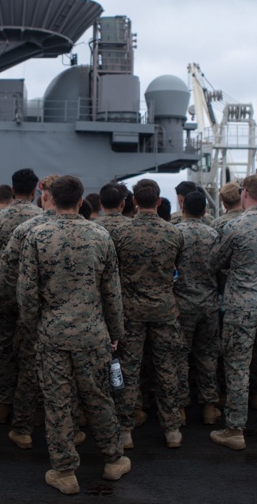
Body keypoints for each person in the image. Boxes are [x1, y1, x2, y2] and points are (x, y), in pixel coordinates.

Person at [17, 175, 131, 494]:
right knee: (98, 398)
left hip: (52, 335)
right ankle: (112, 459)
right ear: (81, 201)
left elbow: (26, 293)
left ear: (51, 198)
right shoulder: (100, 235)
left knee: (57, 403)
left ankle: (65, 472)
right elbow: (112, 292)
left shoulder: (37, 235)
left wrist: (33, 328)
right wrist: (116, 331)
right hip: (92, 334)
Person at [209, 174, 257, 449]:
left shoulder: (236, 226)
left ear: (244, 193)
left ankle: (235, 429)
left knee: (238, 367)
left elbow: (214, 261)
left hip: (242, 305)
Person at [110, 178, 185, 449]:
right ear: (158, 201)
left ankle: (125, 431)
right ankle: (172, 429)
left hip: (131, 311)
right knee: (167, 369)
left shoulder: (121, 234)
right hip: (164, 310)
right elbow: (177, 268)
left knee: (128, 371)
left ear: (133, 202)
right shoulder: (174, 233)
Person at [0, 174, 58, 449]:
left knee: (15, 359)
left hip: (21, 307)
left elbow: (2, 266)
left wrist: (10, 305)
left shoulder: (6, 222)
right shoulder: (90, 231)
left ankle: (6, 411)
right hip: (64, 314)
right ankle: (58, 421)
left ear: (44, 194)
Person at [0, 168, 43, 423]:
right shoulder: (43, 219)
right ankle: (29, 407)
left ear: (12, 190)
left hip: (6, 294)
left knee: (4, 349)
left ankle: (1, 403)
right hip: (32, 297)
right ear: (35, 192)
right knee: (31, 352)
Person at [172, 190, 222, 426]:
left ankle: (180, 408)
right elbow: (221, 270)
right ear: (204, 211)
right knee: (208, 356)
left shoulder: (176, 233)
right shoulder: (214, 234)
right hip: (209, 304)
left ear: (183, 208)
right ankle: (210, 407)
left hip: (181, 304)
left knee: (180, 356)